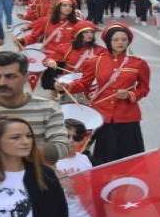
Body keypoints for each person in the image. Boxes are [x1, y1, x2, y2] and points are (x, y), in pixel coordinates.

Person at [0, 51, 70, 166]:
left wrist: (8, 151)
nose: (2, 82)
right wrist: (27, 152)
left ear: (26, 77)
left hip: (38, 180)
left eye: (10, 76)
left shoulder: (49, 108)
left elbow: (61, 147)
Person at [59, 23, 151, 164]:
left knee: (130, 162)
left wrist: (130, 95)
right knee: (103, 160)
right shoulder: (95, 61)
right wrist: (66, 86)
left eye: (124, 39)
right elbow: (84, 84)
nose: (120, 43)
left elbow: (144, 89)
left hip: (128, 118)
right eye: (116, 40)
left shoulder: (138, 64)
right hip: (102, 117)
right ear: (108, 41)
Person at [55, 119, 99, 217]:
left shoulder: (87, 159)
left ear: (83, 140)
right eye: (66, 136)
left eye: (76, 137)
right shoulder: (50, 161)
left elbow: (97, 184)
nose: (71, 141)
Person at [18, 0, 79, 92]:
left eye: (70, 6)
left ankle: (60, 95)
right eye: (64, 5)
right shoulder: (46, 21)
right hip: (50, 58)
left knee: (66, 82)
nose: (68, 8)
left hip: (69, 58)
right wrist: (22, 40)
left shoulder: (77, 23)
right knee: (47, 83)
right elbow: (34, 36)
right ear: (58, 7)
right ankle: (56, 92)